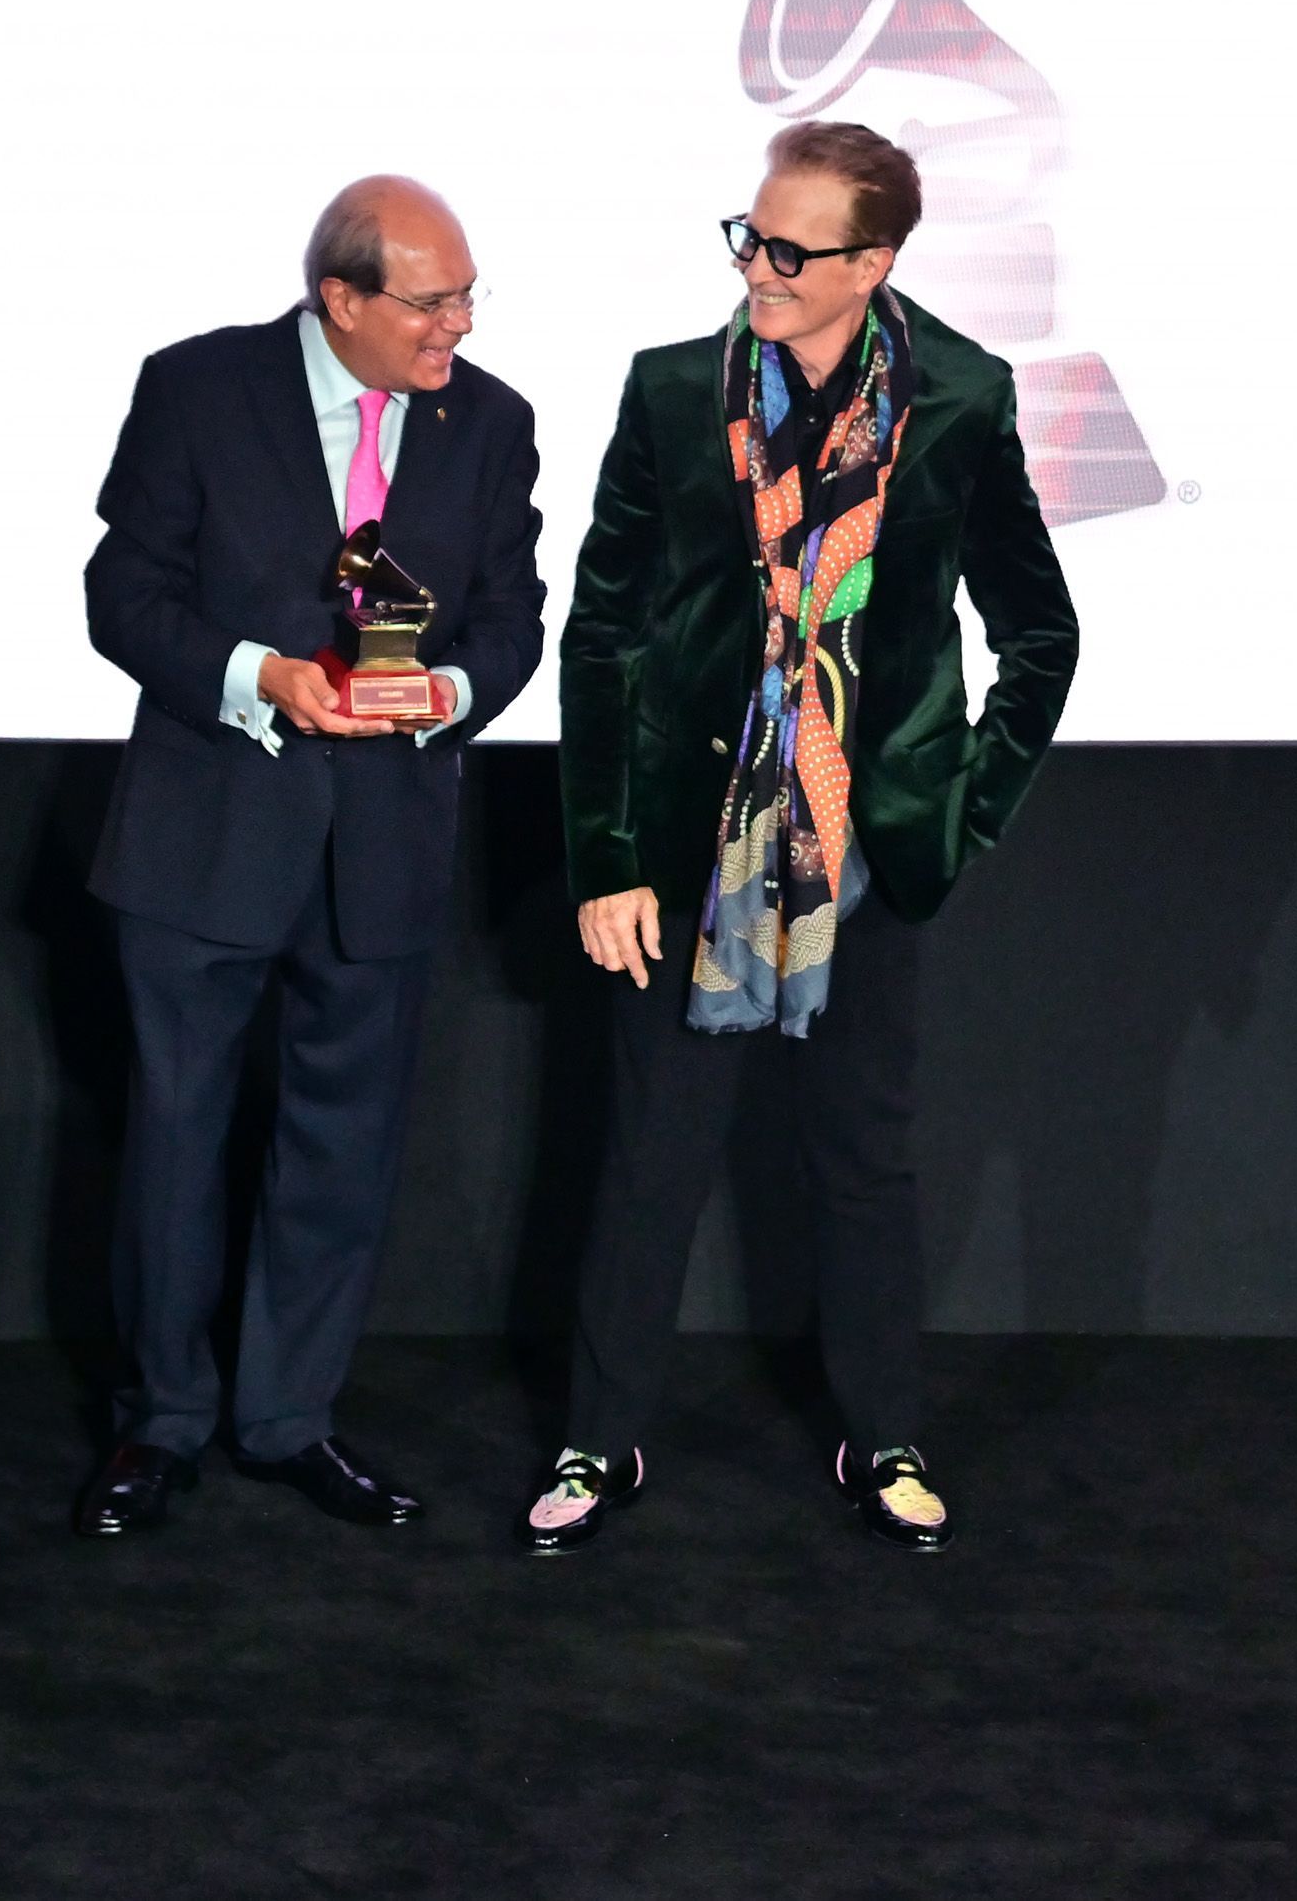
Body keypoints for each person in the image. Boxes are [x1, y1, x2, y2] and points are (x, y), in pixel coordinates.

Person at [530, 118, 1080, 1557]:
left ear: (875, 260)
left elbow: (1039, 627)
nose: (756, 267)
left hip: (861, 846)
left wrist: (957, 811)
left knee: (863, 1154)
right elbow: (600, 631)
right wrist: (603, 855)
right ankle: (599, 1438)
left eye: (789, 249)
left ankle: (884, 1429)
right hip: (686, 840)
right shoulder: (671, 393)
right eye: (749, 238)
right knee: (652, 1151)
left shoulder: (960, 396)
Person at [73, 175, 543, 1539]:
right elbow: (123, 596)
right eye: (429, 299)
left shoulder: (491, 419)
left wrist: (447, 689)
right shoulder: (198, 389)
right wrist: (256, 673)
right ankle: (159, 1421)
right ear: (341, 297)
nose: (456, 322)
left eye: (467, 294)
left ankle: (288, 1418)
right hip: (205, 832)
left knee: (341, 1154)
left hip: (383, 843)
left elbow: (513, 613)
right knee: (175, 1144)